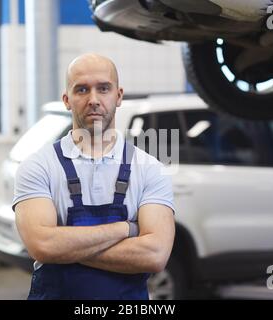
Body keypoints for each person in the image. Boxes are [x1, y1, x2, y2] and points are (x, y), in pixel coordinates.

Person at [13, 53, 175, 300]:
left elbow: (154, 255)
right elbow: (42, 246)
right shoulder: (38, 167)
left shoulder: (149, 169)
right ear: (67, 100)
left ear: (118, 96)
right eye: (82, 90)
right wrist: (126, 229)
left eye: (103, 88)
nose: (93, 99)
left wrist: (65, 245)